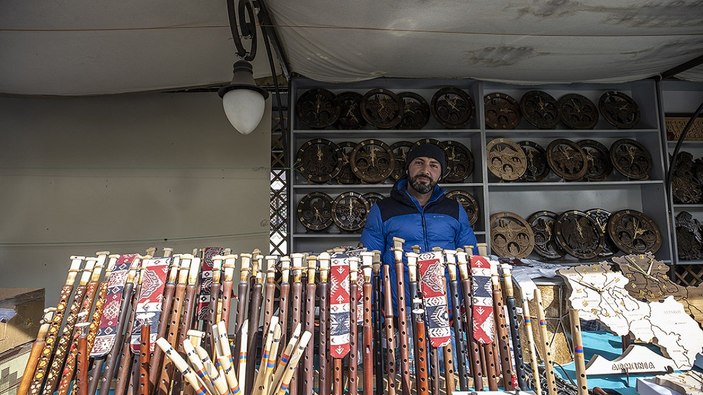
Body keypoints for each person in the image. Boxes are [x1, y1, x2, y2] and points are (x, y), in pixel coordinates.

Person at [360, 142, 478, 312]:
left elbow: (471, 258)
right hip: (398, 309)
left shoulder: (454, 209)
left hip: (448, 307)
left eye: (433, 165)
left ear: (440, 173)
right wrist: (372, 310)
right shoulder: (383, 209)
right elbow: (368, 263)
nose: (425, 170)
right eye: (419, 162)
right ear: (407, 168)